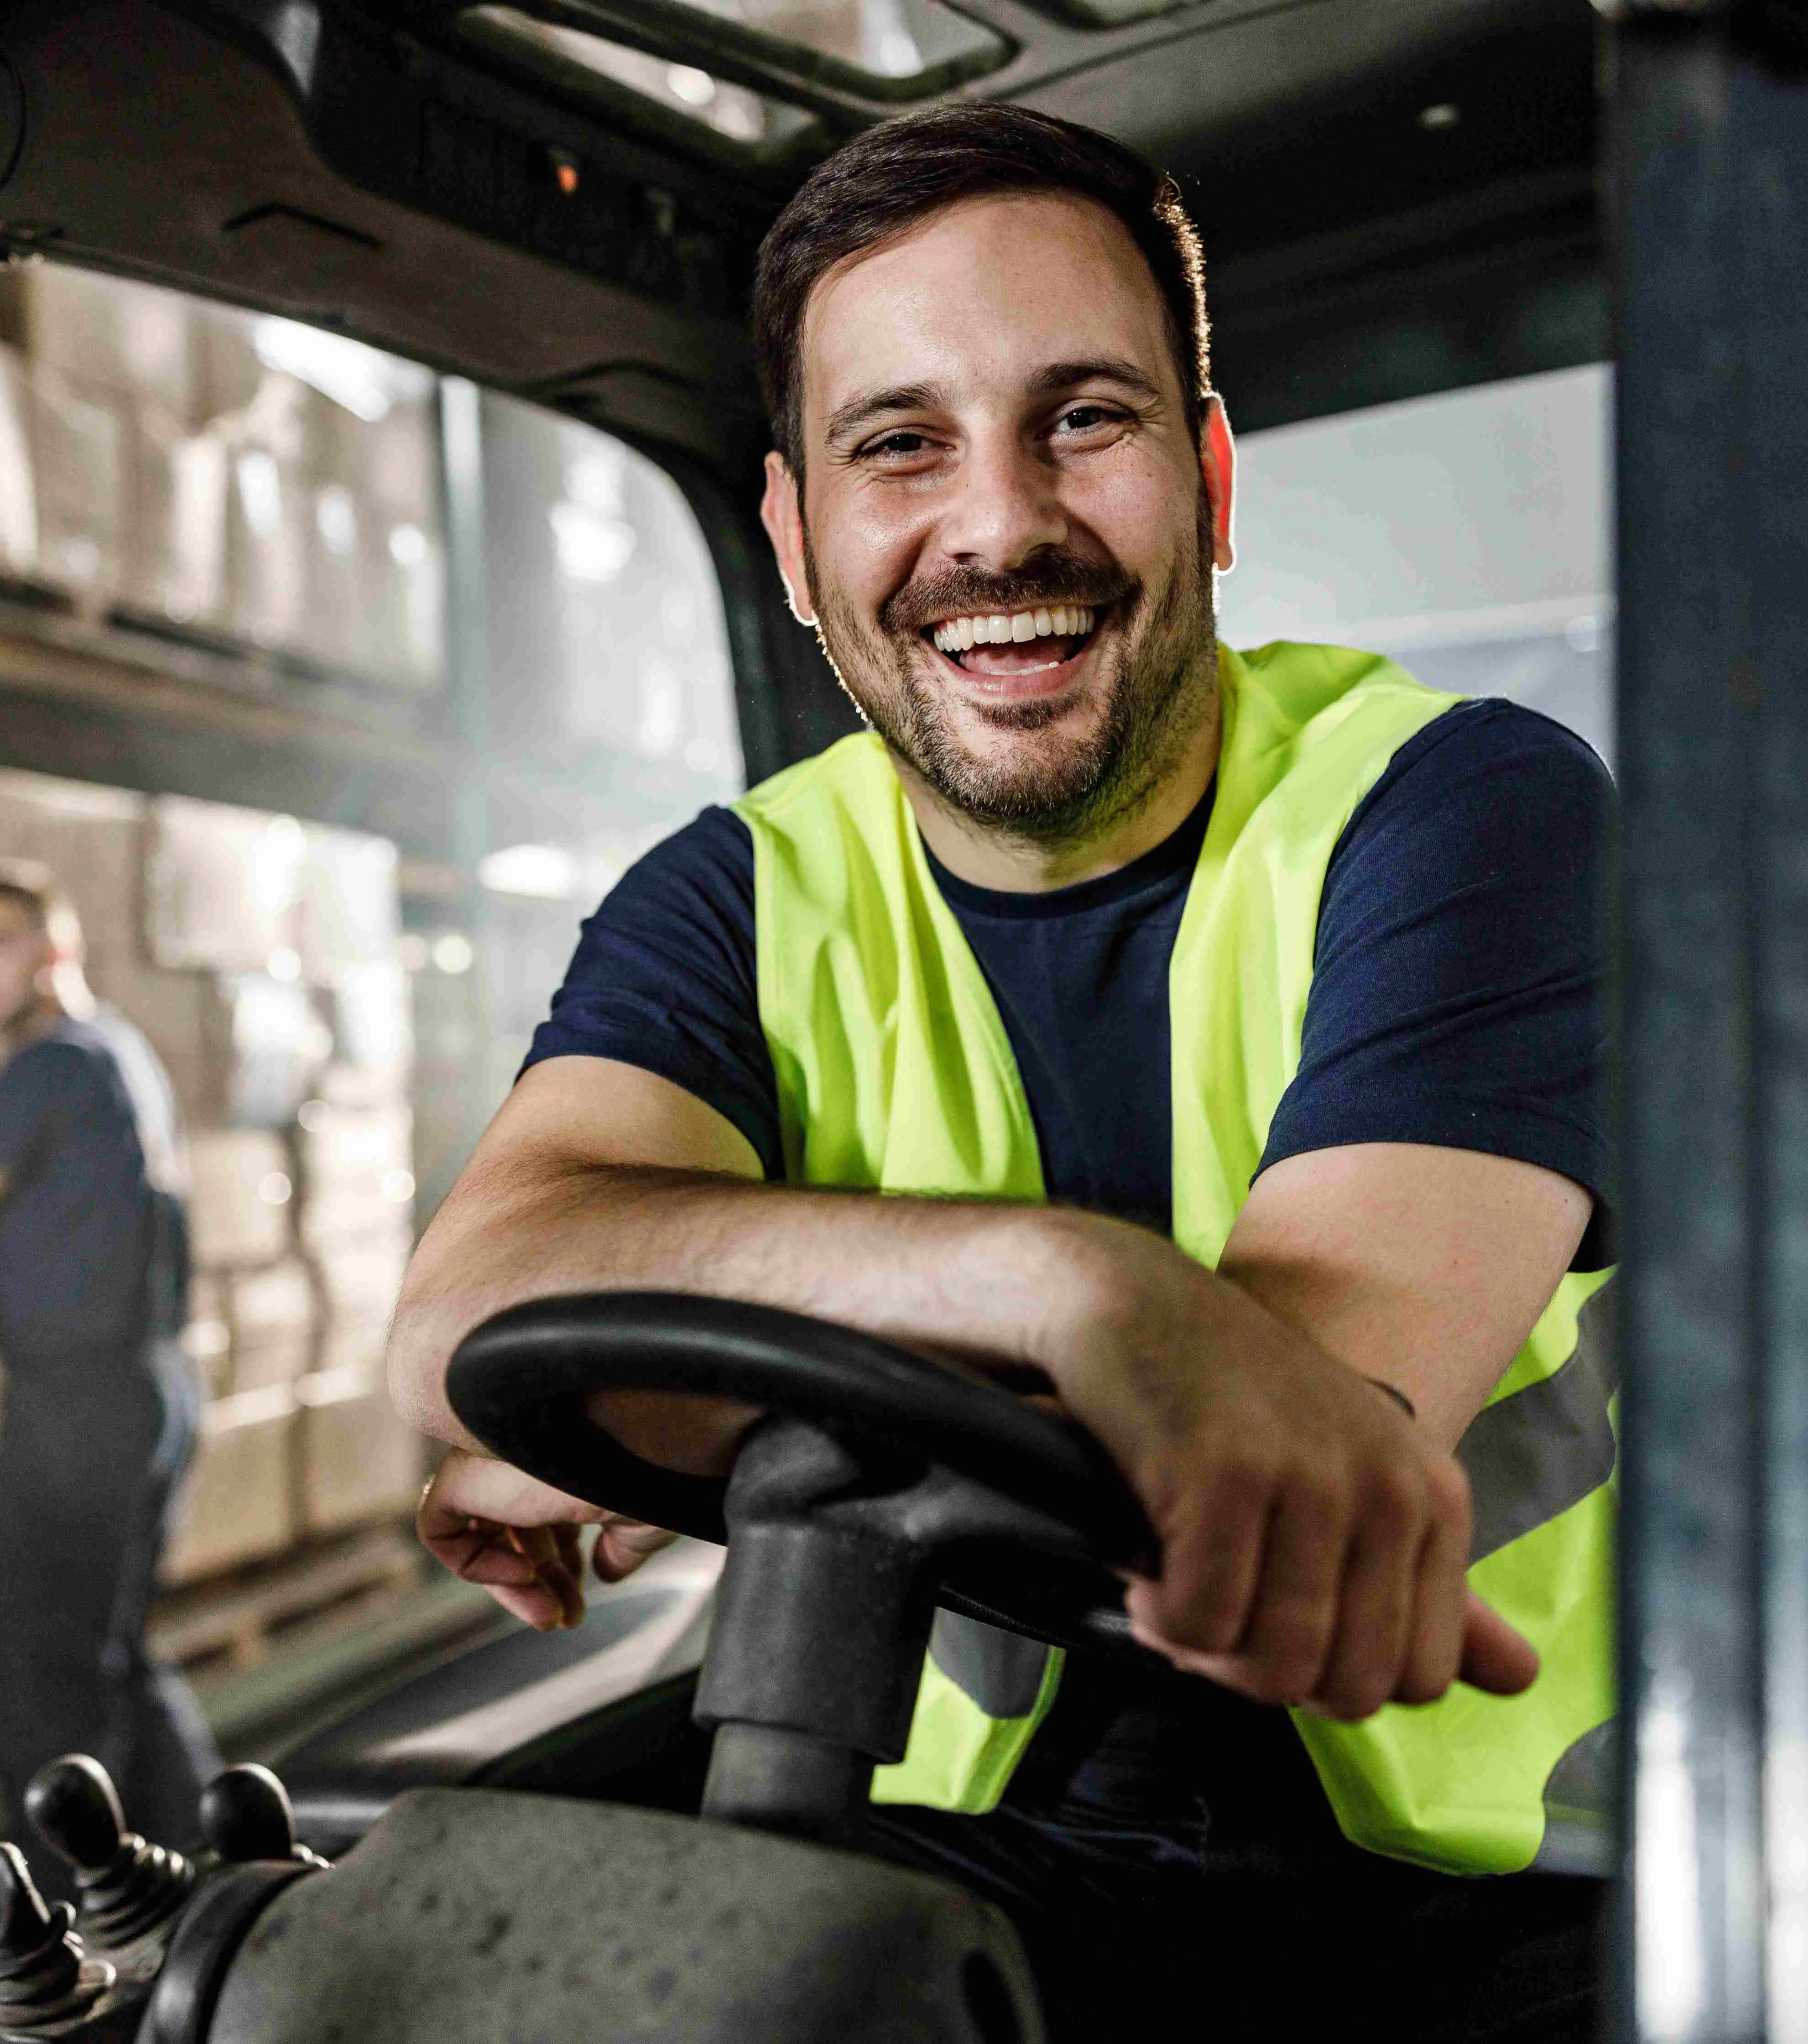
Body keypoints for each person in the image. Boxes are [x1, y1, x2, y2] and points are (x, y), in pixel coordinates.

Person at [387, 104, 1615, 2037]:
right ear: (796, 542)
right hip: (1010, 1833)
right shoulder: (743, 890)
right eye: (899, 444)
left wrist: (693, 1388)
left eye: (1088, 418)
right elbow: (478, 1291)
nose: (998, 523)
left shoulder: (1460, 810)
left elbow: (1271, 1431)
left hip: (1517, 1884)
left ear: (1209, 475)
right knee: (412, 1948)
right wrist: (1064, 1282)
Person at [0, 861, 220, 1849]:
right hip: (151, 1387)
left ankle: (61, 1946)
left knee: (34, 1682)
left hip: (78, 1405)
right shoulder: (121, 1052)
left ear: (55, 948)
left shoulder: (51, 1063)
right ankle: (216, 1882)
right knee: (112, 1656)